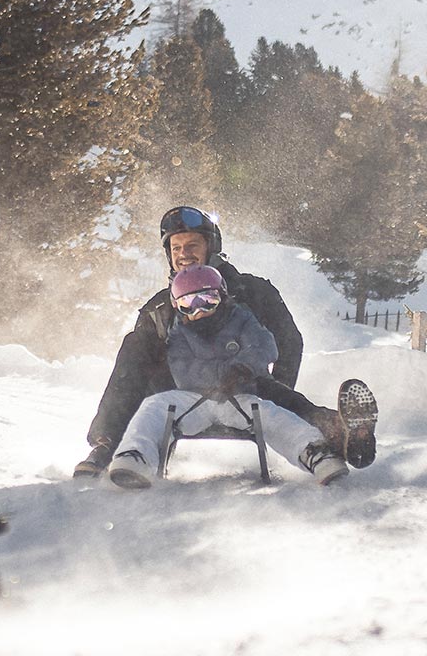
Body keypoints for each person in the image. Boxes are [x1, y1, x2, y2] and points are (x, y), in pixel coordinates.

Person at [75, 205, 377, 477]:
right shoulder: (160, 307)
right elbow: (133, 369)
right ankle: (109, 444)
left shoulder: (252, 291)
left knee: (275, 394)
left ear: (212, 247)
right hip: (180, 392)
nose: (184, 253)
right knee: (136, 345)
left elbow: (289, 342)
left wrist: (277, 390)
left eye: (192, 245)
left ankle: (340, 433)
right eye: (176, 247)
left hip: (244, 385)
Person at [108, 265, 349, 488]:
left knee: (270, 414)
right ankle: (135, 455)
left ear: (222, 297)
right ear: (177, 307)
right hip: (193, 400)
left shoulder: (241, 320)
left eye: (207, 300)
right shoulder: (179, 334)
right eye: (188, 304)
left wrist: (243, 369)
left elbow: (264, 346)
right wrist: (221, 374)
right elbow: (183, 371)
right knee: (154, 406)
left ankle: (315, 453)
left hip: (238, 395)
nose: (199, 311)